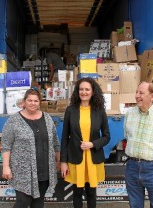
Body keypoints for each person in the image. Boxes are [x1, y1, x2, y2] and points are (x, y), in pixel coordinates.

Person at [1, 88, 60, 208]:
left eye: (36, 101)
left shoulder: (47, 118)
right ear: (24, 102)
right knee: (22, 202)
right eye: (30, 100)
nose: (33, 103)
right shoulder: (13, 120)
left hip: (44, 170)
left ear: (39, 102)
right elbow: (6, 145)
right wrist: (6, 167)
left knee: (38, 203)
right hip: (22, 171)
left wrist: (58, 161)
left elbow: (55, 142)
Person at [60, 77, 110, 208]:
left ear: (93, 92)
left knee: (91, 193)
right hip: (76, 158)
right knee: (77, 192)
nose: (84, 92)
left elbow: (106, 137)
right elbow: (64, 137)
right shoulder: (71, 110)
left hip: (93, 159)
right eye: (81, 89)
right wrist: (63, 162)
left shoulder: (99, 111)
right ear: (77, 91)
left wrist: (93, 144)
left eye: (87, 89)